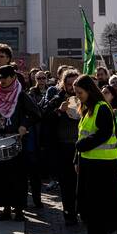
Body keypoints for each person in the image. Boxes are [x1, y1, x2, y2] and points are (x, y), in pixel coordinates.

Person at [72, 75, 117, 234]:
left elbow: (104, 133)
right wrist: (77, 157)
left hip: (103, 163)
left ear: (89, 91)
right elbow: (82, 135)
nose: (78, 96)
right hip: (89, 161)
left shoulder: (102, 108)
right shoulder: (87, 108)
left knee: (102, 201)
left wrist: (83, 145)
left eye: (80, 93)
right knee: (89, 202)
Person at [0, 65, 39, 221]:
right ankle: (6, 209)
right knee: (1, 177)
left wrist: (24, 125)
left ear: (13, 77)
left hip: (16, 142)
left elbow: (35, 114)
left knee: (18, 177)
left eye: (5, 77)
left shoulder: (21, 95)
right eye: (0, 78)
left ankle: (19, 210)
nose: (2, 81)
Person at [44, 69, 81, 225]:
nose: (72, 87)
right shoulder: (56, 97)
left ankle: (84, 211)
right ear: (63, 84)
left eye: (75, 83)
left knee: (82, 182)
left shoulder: (86, 97)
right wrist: (59, 111)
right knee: (67, 183)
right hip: (64, 146)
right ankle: (69, 214)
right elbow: (44, 115)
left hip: (82, 145)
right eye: (68, 84)